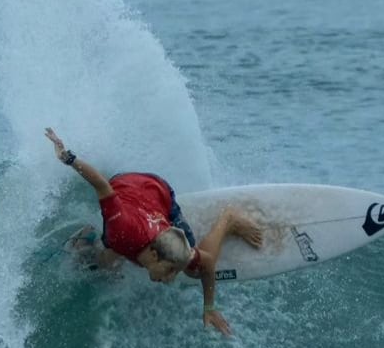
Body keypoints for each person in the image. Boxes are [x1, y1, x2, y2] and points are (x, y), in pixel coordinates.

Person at [45, 128, 262, 336]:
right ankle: (88, 237)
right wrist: (66, 156)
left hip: (157, 198)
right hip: (134, 185)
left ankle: (228, 220)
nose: (170, 279)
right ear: (154, 255)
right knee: (106, 263)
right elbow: (102, 186)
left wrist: (209, 307)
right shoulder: (122, 229)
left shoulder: (174, 250)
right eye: (170, 271)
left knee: (194, 272)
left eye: (173, 272)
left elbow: (207, 264)